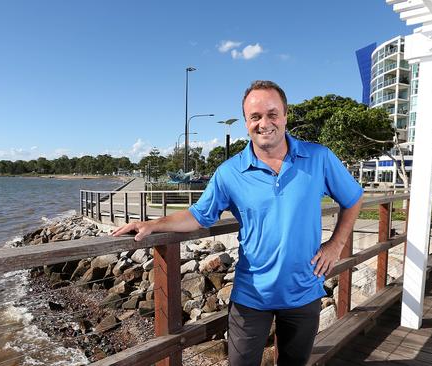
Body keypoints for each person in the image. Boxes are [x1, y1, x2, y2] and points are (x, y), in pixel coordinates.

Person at [113, 80, 363, 366]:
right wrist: (154, 224)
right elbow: (197, 215)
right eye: (255, 116)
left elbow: (353, 198)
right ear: (246, 122)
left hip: (304, 291)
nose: (264, 123)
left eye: (272, 114)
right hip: (251, 295)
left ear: (285, 116)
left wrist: (336, 245)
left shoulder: (319, 157)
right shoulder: (229, 172)